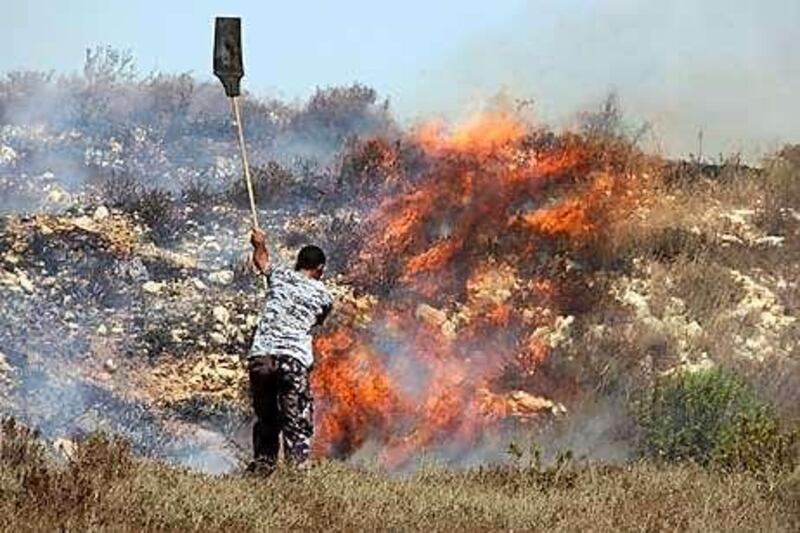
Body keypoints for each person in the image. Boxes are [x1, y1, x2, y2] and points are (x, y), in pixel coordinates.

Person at [246, 227, 333, 473]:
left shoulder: (280, 275)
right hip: (293, 360)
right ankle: (297, 477)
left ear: (297, 263)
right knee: (296, 422)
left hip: (261, 357)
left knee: (266, 420)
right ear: (320, 269)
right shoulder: (324, 295)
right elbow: (318, 320)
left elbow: (262, 261)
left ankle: (263, 470)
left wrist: (259, 243)